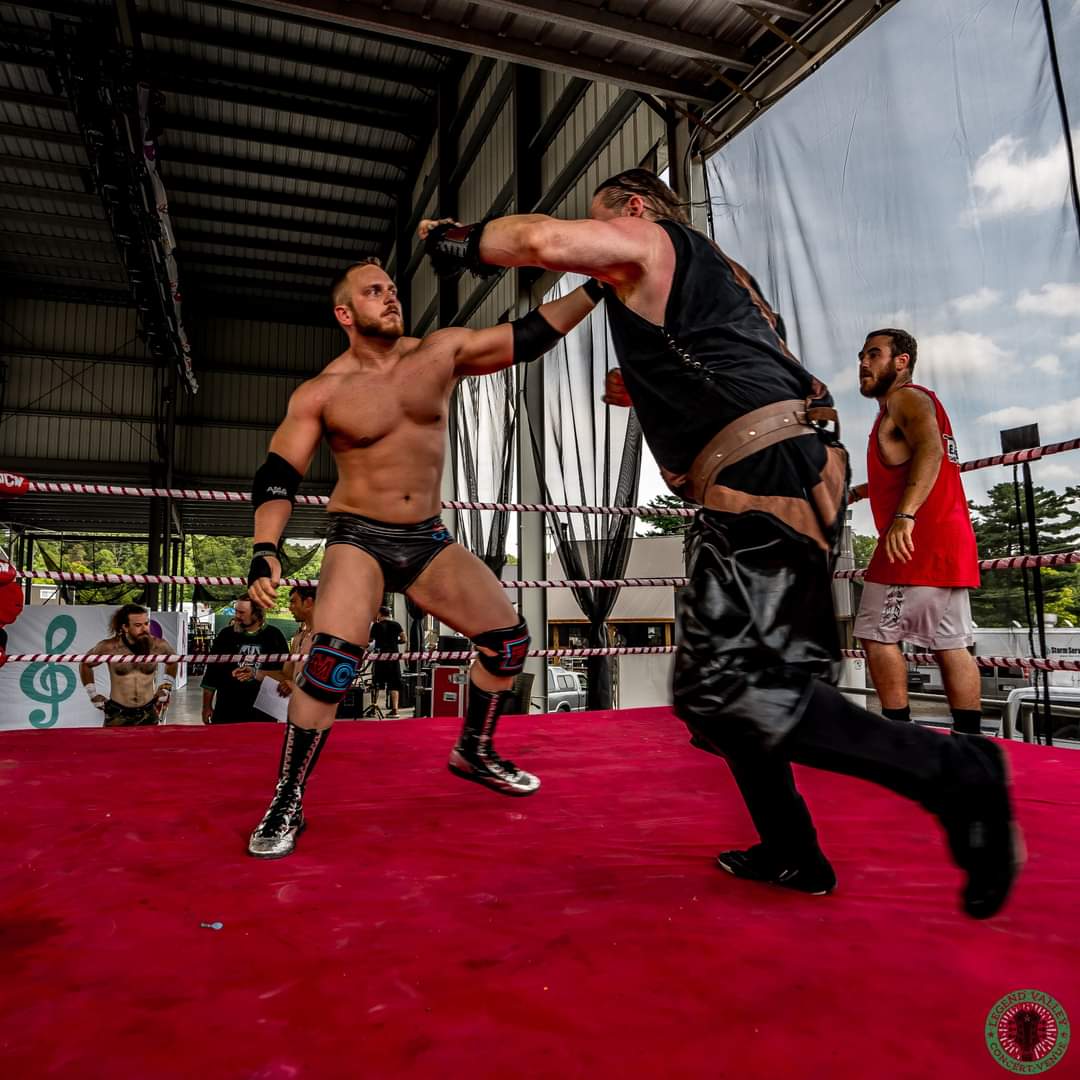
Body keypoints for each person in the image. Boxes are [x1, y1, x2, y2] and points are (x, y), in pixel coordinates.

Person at [418, 168, 1021, 918]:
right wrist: (651, 383)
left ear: (632, 209)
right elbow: (746, 365)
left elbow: (537, 240)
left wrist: (463, 240)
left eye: (601, 220)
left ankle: (956, 769)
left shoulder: (650, 237)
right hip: (766, 474)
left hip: (765, 475)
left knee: (726, 691)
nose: (600, 240)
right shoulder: (722, 276)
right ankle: (793, 850)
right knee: (727, 695)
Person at [244, 255, 600, 858]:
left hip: (427, 537)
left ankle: (474, 749)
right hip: (358, 536)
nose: (390, 297)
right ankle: (288, 795)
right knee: (331, 663)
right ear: (345, 313)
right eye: (373, 291)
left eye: (391, 289)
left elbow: (528, 335)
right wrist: (265, 551)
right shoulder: (323, 391)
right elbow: (278, 476)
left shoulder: (439, 353)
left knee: (509, 642)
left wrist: (600, 284)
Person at [850, 329, 983, 735]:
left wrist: (904, 516)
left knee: (875, 634)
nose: (864, 363)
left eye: (874, 354)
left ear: (901, 361)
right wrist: (861, 492)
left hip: (914, 542)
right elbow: (916, 463)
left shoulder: (905, 398)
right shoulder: (915, 404)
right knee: (951, 643)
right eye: (862, 355)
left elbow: (930, 451)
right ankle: (969, 737)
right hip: (949, 539)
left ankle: (897, 733)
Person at [79, 604, 177, 726]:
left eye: (146, 624)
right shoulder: (109, 647)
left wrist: (166, 686)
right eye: (138, 625)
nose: (145, 629)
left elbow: (173, 661)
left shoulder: (158, 646)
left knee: (150, 745)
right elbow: (85, 664)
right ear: (125, 627)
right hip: (118, 712)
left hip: (148, 710)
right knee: (114, 745)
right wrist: (92, 693)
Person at [200, 598, 288, 724]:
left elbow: (284, 674)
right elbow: (212, 674)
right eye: (236, 611)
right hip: (226, 712)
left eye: (242, 613)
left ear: (257, 614)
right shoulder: (225, 635)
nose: (237, 616)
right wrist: (206, 706)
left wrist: (257, 673)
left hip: (262, 715)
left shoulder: (274, 636)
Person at [273, 585, 317, 700]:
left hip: (319, 712)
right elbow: (286, 675)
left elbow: (333, 680)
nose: (290, 608)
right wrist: (255, 672)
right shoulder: (298, 637)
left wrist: (298, 688)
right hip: (295, 710)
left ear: (308, 602)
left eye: (293, 602)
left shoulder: (328, 636)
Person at [369, 605, 405, 716]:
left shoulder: (376, 626)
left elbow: (369, 640)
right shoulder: (396, 625)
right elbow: (404, 639)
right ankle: (395, 710)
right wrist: (394, 642)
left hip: (380, 657)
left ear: (380, 614)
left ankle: (374, 708)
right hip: (393, 658)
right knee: (394, 683)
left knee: (376, 683)